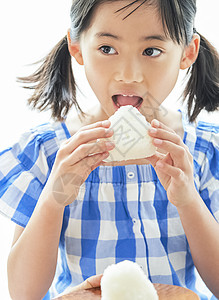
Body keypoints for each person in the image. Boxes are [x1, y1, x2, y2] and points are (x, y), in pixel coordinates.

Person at [0, 0, 218, 299]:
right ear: (76, 47)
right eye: (107, 49)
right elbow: (24, 292)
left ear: (187, 53)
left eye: (151, 51)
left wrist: (188, 199)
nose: (129, 75)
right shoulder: (50, 152)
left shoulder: (204, 151)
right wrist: (55, 196)